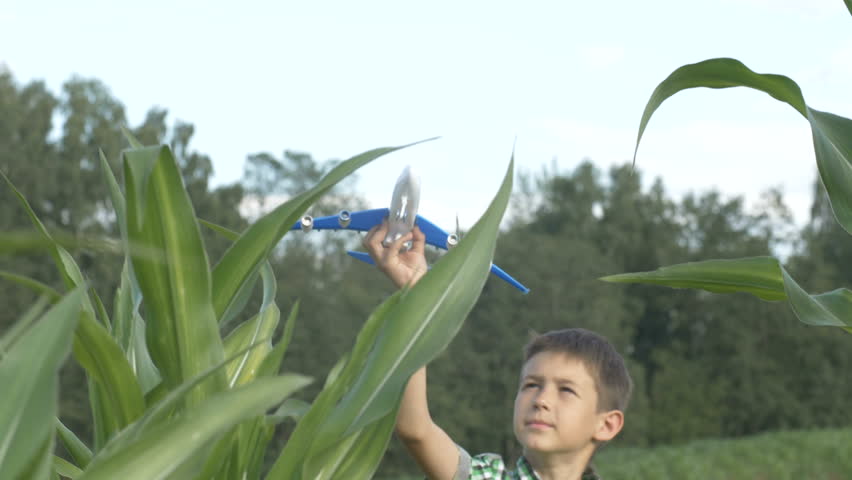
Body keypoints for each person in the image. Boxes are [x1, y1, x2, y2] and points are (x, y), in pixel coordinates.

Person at [363, 220, 633, 480]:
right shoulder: (486, 476)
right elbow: (416, 430)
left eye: (566, 390)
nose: (541, 400)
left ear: (606, 424)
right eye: (531, 385)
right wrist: (415, 295)